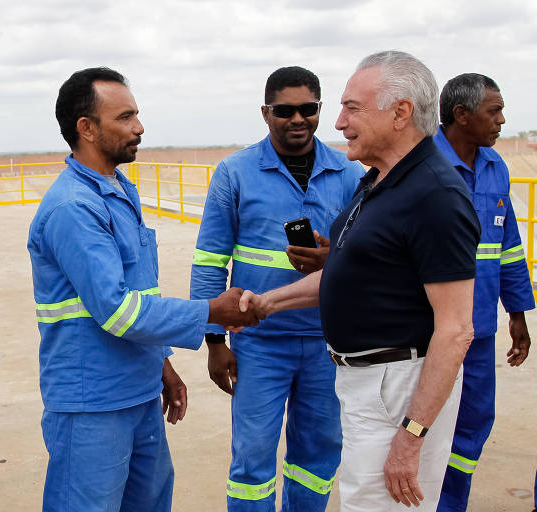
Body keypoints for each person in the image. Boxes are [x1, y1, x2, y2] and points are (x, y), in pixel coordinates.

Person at [238, 50, 481, 511]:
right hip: (368, 385)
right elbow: (345, 276)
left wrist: (411, 438)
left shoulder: (436, 195)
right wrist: (266, 303)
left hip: (400, 389)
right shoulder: (378, 182)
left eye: (353, 108)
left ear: (400, 113)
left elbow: (456, 329)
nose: (339, 123)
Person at [27, 67, 258, 512]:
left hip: (136, 391)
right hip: (91, 402)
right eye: (126, 117)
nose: (139, 127)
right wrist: (212, 310)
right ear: (87, 128)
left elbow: (140, 293)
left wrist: (162, 365)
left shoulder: (119, 191)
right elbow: (117, 311)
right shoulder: (74, 208)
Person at [189, 66, 363, 511]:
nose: (297, 119)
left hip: (328, 343)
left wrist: (333, 260)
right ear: (266, 113)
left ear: (320, 110)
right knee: (252, 459)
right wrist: (214, 340)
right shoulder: (235, 172)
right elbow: (210, 259)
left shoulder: (347, 172)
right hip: (257, 343)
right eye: (285, 110)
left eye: (308, 109)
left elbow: (367, 256)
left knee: (319, 453)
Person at [433, 73, 534, 511]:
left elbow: (508, 247)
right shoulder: (421, 166)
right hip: (428, 333)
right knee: (424, 423)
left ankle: (451, 504)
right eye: (494, 111)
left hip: (479, 331)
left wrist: (517, 313)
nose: (502, 120)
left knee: (473, 423)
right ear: (462, 114)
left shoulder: (496, 167)